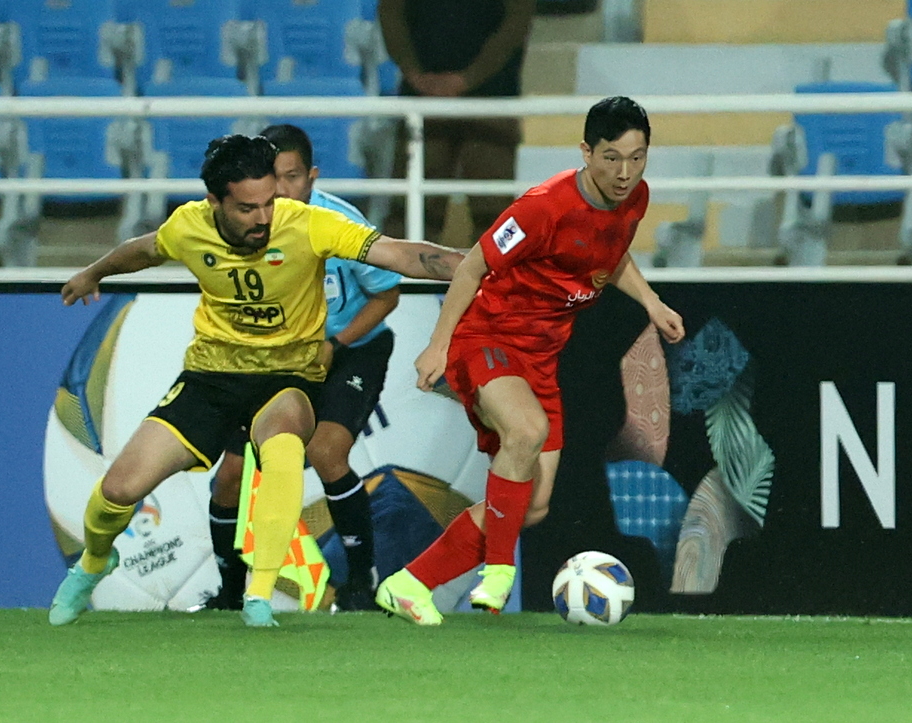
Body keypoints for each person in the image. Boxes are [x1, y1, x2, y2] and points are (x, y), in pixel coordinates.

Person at [49, 134, 464, 628]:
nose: (265, 218)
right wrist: (94, 272)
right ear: (215, 203)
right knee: (119, 489)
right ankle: (96, 561)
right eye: (248, 208)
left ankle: (258, 596)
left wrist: (483, 265)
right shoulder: (189, 227)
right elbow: (144, 250)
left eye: (270, 202)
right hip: (211, 377)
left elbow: (403, 256)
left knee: (285, 443)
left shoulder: (307, 224)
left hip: (288, 375)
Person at [374, 96, 686, 625]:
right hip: (487, 335)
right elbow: (472, 266)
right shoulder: (542, 207)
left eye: (637, 158)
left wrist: (651, 301)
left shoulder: (634, 199)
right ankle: (498, 572)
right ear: (586, 152)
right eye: (611, 157)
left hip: (541, 356)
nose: (625, 172)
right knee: (526, 431)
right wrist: (438, 345)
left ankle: (408, 584)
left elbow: (611, 254)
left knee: (533, 505)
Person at [203, 124, 402, 612]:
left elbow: (387, 294)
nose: (282, 190)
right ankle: (231, 591)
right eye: (272, 179)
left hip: (352, 348)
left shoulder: (338, 222)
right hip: (277, 355)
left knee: (327, 451)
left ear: (311, 176)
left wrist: (337, 342)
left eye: (292, 177)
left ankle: (361, 584)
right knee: (229, 476)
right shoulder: (248, 226)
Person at [378, 0, 536, 245]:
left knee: (494, 213)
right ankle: (403, 282)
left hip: (492, 102)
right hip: (422, 104)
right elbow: (391, 13)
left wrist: (465, 79)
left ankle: (497, 281)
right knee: (410, 210)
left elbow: (515, 24)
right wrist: (414, 73)